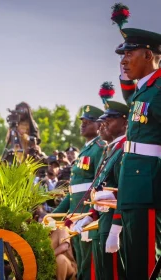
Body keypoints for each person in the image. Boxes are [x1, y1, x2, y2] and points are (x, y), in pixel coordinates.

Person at [114, 27, 161, 279]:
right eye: (122, 54)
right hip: (133, 186)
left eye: (129, 54)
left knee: (145, 266)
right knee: (134, 266)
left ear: (148, 55)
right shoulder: (142, 91)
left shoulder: (158, 90)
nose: (123, 60)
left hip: (149, 187)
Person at [74, 100, 129, 280]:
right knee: (102, 273)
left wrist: (115, 228)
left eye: (110, 119)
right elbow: (99, 187)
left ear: (125, 123)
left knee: (112, 274)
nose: (104, 124)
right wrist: (90, 215)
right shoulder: (111, 150)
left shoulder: (123, 149)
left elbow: (124, 192)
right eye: (104, 119)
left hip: (113, 222)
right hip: (102, 220)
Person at [53, 105, 106, 280]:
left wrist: (90, 215)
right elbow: (73, 192)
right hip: (76, 217)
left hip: (89, 217)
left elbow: (100, 183)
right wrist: (54, 216)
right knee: (82, 264)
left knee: (90, 266)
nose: (83, 124)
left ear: (99, 125)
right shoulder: (87, 149)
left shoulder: (100, 148)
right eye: (82, 121)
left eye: (88, 122)